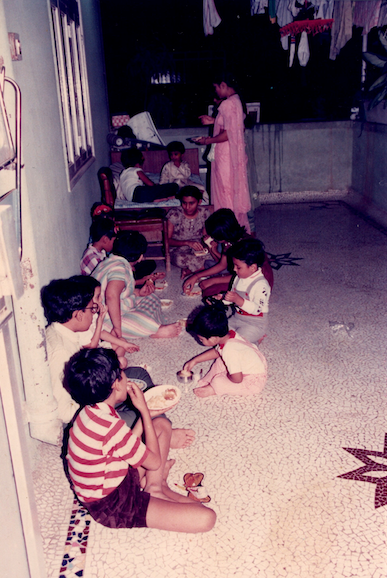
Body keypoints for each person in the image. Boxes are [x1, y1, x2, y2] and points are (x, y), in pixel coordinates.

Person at [62, 348, 216, 532]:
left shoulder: (89, 412)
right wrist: (144, 411)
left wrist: (149, 415)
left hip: (115, 476)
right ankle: (158, 488)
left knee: (161, 425)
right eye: (122, 374)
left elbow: (122, 442)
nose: (127, 377)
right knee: (206, 517)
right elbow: (154, 462)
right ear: (116, 385)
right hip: (113, 505)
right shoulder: (111, 426)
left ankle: (154, 486)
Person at [41, 277, 145, 423]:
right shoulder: (61, 354)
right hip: (86, 416)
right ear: (79, 314)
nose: (94, 314)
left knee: (139, 375)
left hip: (93, 392)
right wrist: (105, 405)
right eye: (92, 309)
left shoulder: (64, 332)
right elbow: (64, 412)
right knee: (142, 413)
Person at [92, 231, 182, 339]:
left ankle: (148, 326)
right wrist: (117, 327)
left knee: (151, 297)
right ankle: (155, 330)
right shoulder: (120, 269)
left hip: (118, 307)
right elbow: (111, 295)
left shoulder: (108, 262)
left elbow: (119, 292)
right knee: (138, 319)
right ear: (140, 257)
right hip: (105, 319)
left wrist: (138, 292)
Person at [195, 73, 251, 231]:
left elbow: (228, 134)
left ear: (223, 85)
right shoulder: (237, 101)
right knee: (230, 191)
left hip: (225, 155)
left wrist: (206, 141)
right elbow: (234, 125)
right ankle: (232, 228)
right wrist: (213, 121)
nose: (216, 91)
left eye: (216, 87)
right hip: (231, 154)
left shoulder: (227, 104)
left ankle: (226, 230)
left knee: (225, 192)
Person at [183, 208, 273, 297]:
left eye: (215, 237)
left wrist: (214, 280)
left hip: (256, 281)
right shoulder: (228, 241)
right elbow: (222, 265)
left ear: (223, 235)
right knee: (210, 283)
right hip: (241, 275)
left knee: (210, 291)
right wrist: (196, 276)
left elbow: (244, 275)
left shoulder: (244, 247)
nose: (213, 239)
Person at [183, 306, 267, 398]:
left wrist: (227, 375)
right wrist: (195, 360)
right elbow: (217, 352)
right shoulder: (230, 335)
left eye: (201, 339)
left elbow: (237, 379)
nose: (200, 341)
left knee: (218, 381)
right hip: (251, 366)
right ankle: (213, 381)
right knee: (220, 360)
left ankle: (213, 389)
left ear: (214, 338)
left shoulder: (229, 351)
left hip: (253, 381)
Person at [70, 275, 139, 368]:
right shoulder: (81, 323)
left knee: (122, 341)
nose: (101, 299)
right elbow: (91, 348)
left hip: (98, 348)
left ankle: (112, 365)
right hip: (90, 357)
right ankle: (111, 369)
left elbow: (101, 333)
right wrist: (100, 321)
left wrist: (125, 344)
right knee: (122, 361)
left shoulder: (92, 314)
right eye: (98, 296)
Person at [224, 238, 271, 343]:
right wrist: (223, 299)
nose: (234, 269)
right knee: (219, 333)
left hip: (255, 323)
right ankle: (252, 339)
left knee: (235, 343)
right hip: (237, 318)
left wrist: (238, 299)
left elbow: (256, 310)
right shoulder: (237, 278)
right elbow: (231, 296)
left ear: (253, 268)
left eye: (238, 267)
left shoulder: (261, 285)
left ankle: (255, 341)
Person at [166, 186, 212, 279]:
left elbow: (205, 236)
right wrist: (187, 243)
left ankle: (190, 270)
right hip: (178, 249)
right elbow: (168, 240)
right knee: (180, 259)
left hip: (197, 248)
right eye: (184, 203)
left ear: (199, 202)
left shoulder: (204, 213)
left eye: (191, 203)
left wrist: (205, 245)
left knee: (215, 256)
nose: (187, 207)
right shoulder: (174, 214)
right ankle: (202, 269)